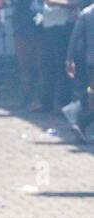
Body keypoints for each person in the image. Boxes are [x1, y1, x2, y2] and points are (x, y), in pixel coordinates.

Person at [39, 0, 79, 112]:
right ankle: (47, 103)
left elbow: (75, 3)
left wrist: (56, 3)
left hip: (64, 27)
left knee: (63, 66)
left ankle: (63, 103)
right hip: (49, 26)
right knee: (47, 65)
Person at [64, 0, 94, 137]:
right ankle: (82, 122)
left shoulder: (87, 12)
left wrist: (69, 59)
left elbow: (74, 38)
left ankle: (81, 122)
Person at [12, 0, 45, 109]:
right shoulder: (19, 3)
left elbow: (44, 15)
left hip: (38, 36)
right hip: (23, 36)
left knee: (38, 68)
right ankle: (27, 97)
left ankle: (39, 98)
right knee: (25, 68)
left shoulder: (39, 3)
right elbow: (15, 19)